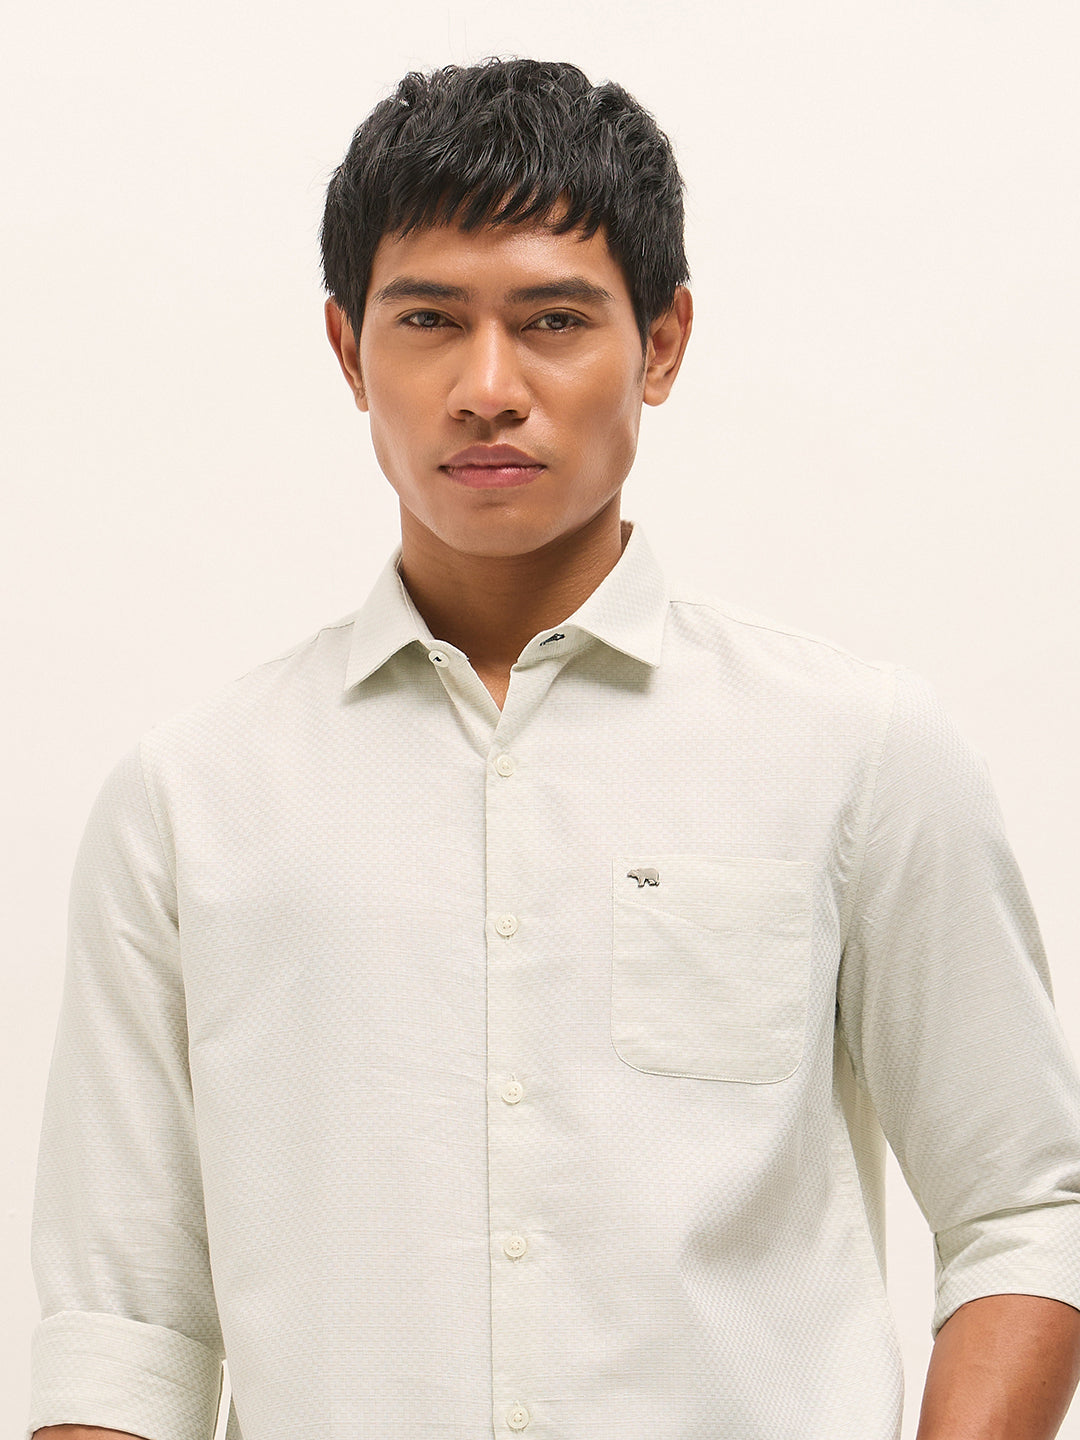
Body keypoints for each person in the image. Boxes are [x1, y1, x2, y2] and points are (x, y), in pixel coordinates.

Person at [25, 55, 1080, 1440]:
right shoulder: (188, 799)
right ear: (347, 350)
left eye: (554, 320)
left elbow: (1026, 1210)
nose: (487, 387)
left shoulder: (858, 752)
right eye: (428, 320)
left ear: (663, 343)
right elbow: (123, 1328)